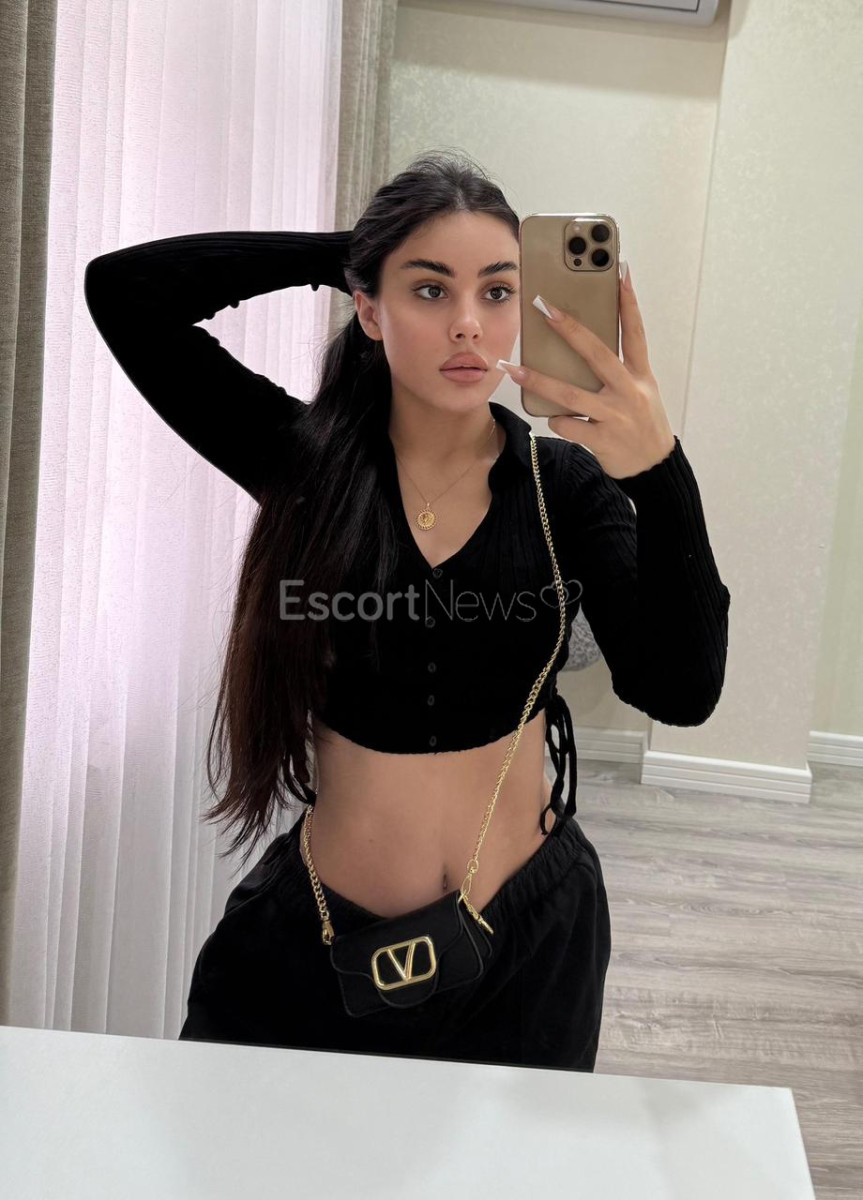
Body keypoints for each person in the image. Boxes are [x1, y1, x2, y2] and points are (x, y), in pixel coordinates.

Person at [84, 150, 730, 1071]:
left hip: (527, 946)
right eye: (430, 291)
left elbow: (681, 691)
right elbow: (127, 292)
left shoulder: (563, 489)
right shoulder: (304, 464)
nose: (467, 322)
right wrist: (358, 254)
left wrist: (660, 472)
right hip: (314, 943)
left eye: (497, 291)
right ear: (369, 311)